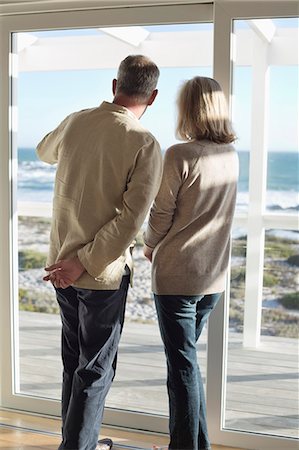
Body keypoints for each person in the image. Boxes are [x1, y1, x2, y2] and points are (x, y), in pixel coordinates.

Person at [36, 54, 162, 450]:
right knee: (94, 370)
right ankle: (78, 446)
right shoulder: (143, 143)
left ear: (114, 85)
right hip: (100, 275)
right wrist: (85, 263)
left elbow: (43, 151)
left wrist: (72, 263)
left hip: (60, 268)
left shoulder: (77, 120)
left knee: (74, 363)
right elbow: (130, 221)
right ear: (153, 97)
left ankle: (77, 442)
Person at [143, 76, 239, 450]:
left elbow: (161, 213)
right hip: (212, 280)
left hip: (177, 278)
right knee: (185, 365)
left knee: (182, 367)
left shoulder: (180, 154)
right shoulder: (229, 156)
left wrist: (149, 245)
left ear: (188, 109)